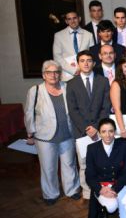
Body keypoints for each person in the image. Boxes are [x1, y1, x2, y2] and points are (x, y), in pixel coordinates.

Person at [25, 60, 81, 206]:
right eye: (49, 72)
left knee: (69, 164)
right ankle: (50, 194)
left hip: (67, 134)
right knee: (48, 167)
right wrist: (30, 133)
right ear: (44, 75)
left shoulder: (67, 87)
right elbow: (29, 113)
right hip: (44, 137)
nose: (53, 75)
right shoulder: (35, 90)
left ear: (60, 74)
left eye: (56, 72)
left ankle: (72, 189)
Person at [66, 51, 111, 200]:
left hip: (101, 130)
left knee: (102, 161)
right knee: (84, 163)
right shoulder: (71, 84)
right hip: (82, 131)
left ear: (94, 63)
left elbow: (106, 106)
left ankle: (103, 189)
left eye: (89, 60)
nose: (86, 63)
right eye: (82, 60)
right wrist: (87, 128)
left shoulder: (103, 81)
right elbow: (72, 110)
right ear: (78, 63)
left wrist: (97, 127)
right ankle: (87, 192)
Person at [85, 118, 126, 218]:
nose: (107, 135)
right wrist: (100, 189)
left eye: (111, 131)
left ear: (115, 132)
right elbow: (89, 175)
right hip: (101, 186)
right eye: (104, 131)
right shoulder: (92, 148)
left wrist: (115, 189)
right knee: (111, 206)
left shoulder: (124, 146)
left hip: (120, 185)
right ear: (99, 133)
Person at [53, 11, 94, 81]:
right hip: (67, 76)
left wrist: (84, 69)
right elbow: (57, 57)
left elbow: (92, 55)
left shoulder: (89, 35)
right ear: (66, 21)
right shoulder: (58, 36)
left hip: (86, 75)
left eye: (74, 18)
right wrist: (73, 70)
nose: (72, 21)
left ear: (79, 19)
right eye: (69, 19)